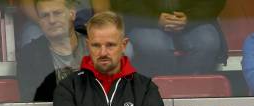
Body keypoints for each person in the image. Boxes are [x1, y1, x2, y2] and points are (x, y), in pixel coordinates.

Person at [93, 0, 227, 76]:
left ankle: (190, 95)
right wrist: (154, 19)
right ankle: (161, 95)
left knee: (208, 41)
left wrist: (189, 18)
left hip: (193, 20)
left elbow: (214, 3)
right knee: (154, 46)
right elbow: (124, 3)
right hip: (144, 20)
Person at [17, 0, 90, 102]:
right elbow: (31, 101)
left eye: (57, 13)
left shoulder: (94, 44)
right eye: (45, 15)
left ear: (72, 14)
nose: (51, 20)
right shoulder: (29, 55)